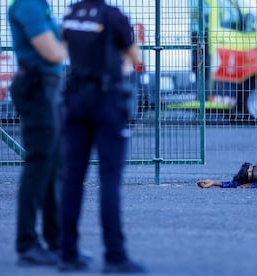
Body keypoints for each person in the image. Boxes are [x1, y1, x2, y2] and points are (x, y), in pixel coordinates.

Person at [59, 0, 145, 273]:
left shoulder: (71, 14)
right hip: (106, 102)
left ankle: (67, 253)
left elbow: (63, 51)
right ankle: (115, 255)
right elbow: (135, 58)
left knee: (72, 180)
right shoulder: (113, 16)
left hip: (74, 100)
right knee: (109, 180)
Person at [7, 0, 67, 266]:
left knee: (53, 165)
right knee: (39, 164)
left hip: (48, 88)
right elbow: (53, 53)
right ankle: (28, 244)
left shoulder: (40, 5)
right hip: (36, 89)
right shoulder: (27, 5)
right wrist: (72, 43)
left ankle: (57, 242)